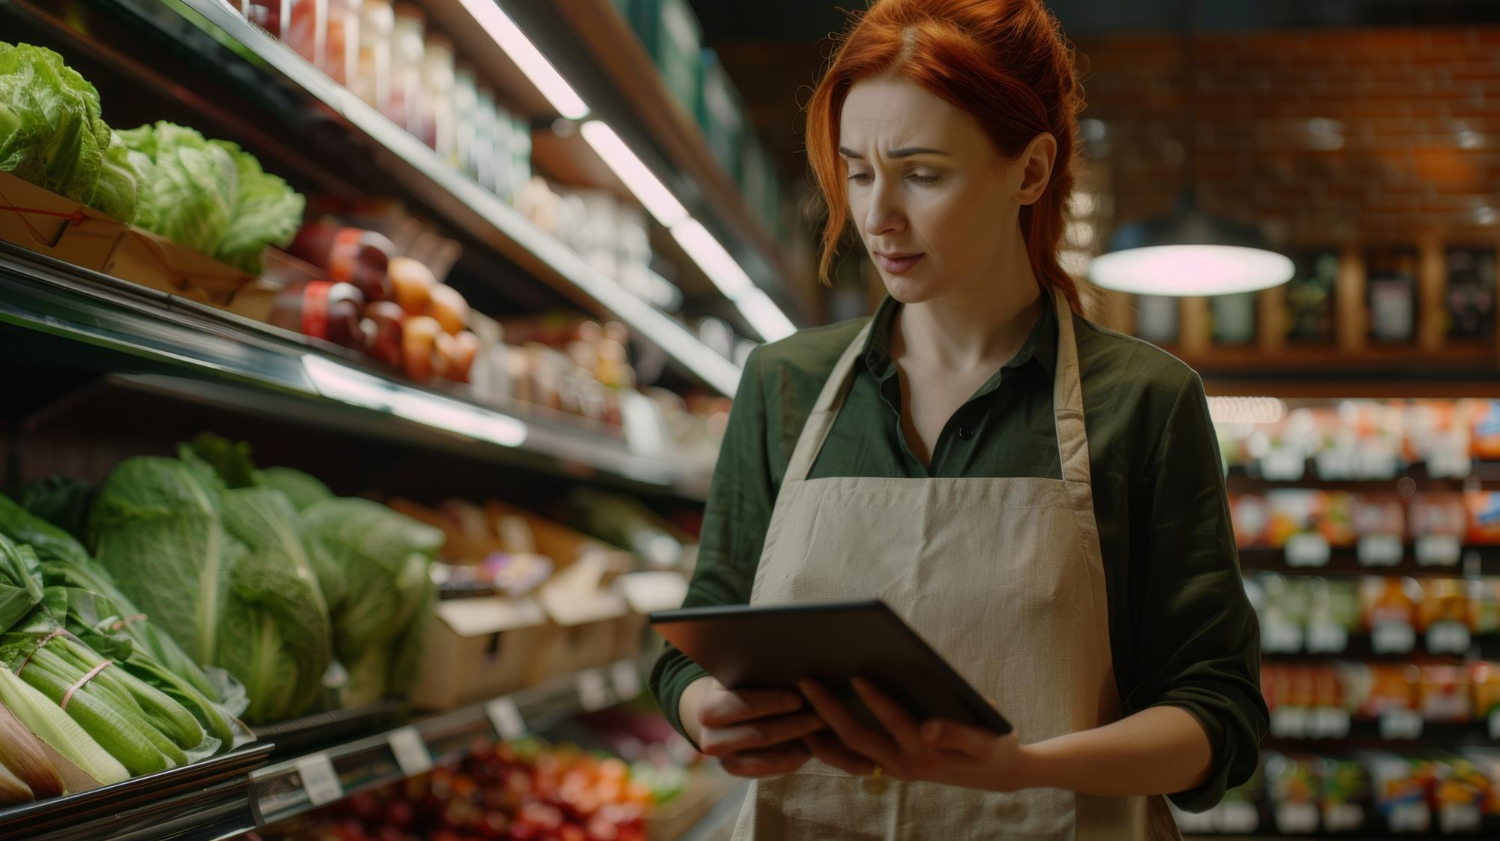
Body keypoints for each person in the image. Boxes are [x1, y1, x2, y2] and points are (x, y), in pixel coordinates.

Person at [649, 0, 1267, 837]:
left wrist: (1024, 770)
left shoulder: (1143, 401)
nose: (877, 216)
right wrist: (706, 708)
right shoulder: (783, 384)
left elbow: (1216, 711)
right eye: (858, 172)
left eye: (923, 172)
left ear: (1031, 170)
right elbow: (695, 635)